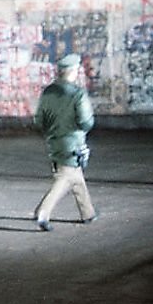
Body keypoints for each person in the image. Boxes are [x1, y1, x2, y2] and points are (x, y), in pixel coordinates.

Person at [33, 53, 98, 231]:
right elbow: (86, 123)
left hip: (53, 141)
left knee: (75, 176)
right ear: (73, 71)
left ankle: (88, 213)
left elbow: (39, 120)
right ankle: (43, 213)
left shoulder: (48, 92)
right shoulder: (78, 94)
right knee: (66, 177)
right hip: (73, 143)